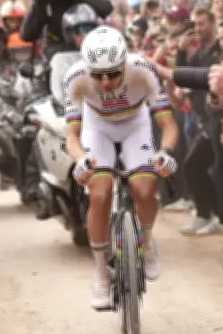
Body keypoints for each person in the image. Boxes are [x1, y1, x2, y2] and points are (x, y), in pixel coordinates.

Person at [63, 26, 178, 309]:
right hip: (97, 127)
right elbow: (72, 137)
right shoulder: (76, 78)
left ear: (124, 63)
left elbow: (168, 124)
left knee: (145, 188)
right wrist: (80, 159)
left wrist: (165, 153)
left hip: (135, 125)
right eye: (97, 75)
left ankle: (147, 242)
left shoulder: (141, 70)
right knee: (99, 194)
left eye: (113, 74)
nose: (105, 83)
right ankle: (101, 272)